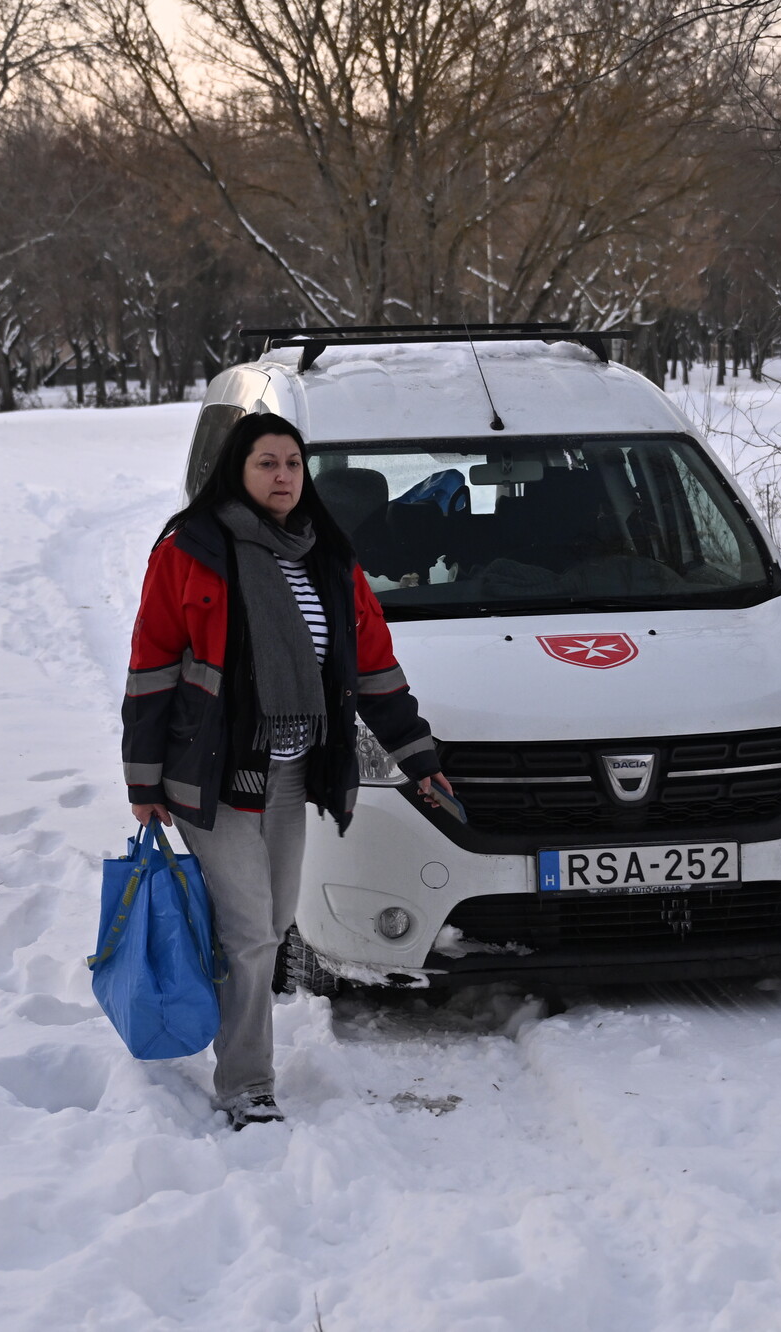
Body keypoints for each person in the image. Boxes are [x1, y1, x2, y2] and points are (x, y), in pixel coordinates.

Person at [122, 413, 454, 1130]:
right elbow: (152, 663)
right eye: (266, 463)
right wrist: (143, 779)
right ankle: (247, 1085)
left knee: (266, 927)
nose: (282, 477)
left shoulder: (328, 557)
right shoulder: (193, 550)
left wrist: (418, 757)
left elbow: (373, 670)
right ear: (236, 471)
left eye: (293, 464)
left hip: (294, 773)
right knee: (251, 935)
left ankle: (213, 1010)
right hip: (212, 774)